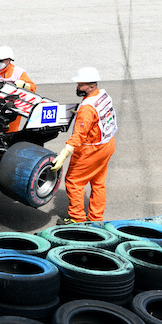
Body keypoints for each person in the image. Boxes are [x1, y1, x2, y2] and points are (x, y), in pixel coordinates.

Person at [51, 67, 117, 224]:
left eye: (81, 85)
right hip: (107, 145)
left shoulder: (87, 109)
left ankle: (77, 219)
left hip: (91, 150)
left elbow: (79, 135)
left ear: (91, 86)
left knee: (74, 181)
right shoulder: (102, 95)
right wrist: (81, 113)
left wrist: (63, 154)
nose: (77, 88)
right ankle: (96, 219)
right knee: (98, 182)